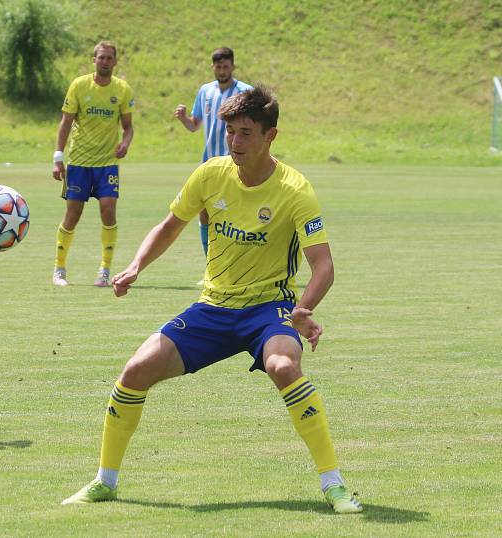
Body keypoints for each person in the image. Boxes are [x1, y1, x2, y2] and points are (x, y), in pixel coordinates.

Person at [62, 86, 363, 514]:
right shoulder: (210, 174)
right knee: (134, 372)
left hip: (268, 309)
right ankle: (104, 481)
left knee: (283, 366)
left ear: (269, 136)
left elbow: (324, 265)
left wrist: (302, 309)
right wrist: (135, 266)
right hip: (213, 307)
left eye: (245, 133)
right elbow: (170, 225)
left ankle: (335, 486)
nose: (234, 142)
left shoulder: (295, 190)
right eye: (230, 133)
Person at [51, 41, 134, 287]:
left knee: (108, 210)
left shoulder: (122, 89)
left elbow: (128, 128)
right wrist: (58, 157)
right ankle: (59, 268)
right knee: (73, 215)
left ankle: (105, 270)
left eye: (109, 58)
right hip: (78, 162)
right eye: (101, 57)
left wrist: (126, 143)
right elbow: (65, 122)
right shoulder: (79, 85)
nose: (105, 61)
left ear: (115, 62)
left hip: (107, 164)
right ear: (93, 59)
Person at [174, 47, 251, 280]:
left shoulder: (245, 92)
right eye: (218, 67)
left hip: (237, 163)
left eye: (226, 66)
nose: (222, 70)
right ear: (213, 68)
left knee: (238, 215)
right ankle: (213, 268)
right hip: (210, 164)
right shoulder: (205, 91)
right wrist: (183, 119)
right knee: (205, 215)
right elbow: (195, 125)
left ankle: (244, 268)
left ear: (233, 67)